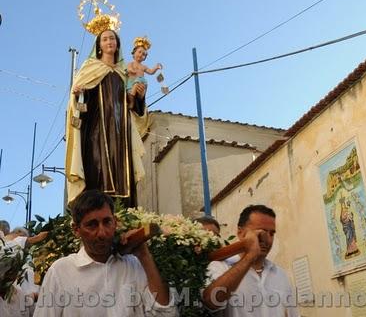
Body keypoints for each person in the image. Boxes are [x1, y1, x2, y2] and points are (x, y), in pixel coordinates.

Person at [33, 189, 177, 316]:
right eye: (92, 225)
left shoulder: (134, 265)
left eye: (107, 222)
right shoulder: (61, 272)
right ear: (76, 230)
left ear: (115, 222)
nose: (102, 233)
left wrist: (144, 255)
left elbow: (166, 314)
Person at [66, 29, 149, 208]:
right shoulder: (90, 68)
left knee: (124, 173)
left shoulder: (124, 73)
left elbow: (132, 105)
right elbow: (80, 103)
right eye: (104, 39)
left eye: (112, 38)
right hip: (96, 131)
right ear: (99, 45)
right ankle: (97, 213)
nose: (109, 41)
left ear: (117, 44)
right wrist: (80, 94)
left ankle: (125, 213)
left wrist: (140, 97)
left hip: (122, 133)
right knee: (98, 169)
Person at [202, 205, 299, 317]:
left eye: (271, 234)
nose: (267, 239)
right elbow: (210, 302)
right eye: (261, 232)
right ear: (241, 233)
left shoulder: (281, 275)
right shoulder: (219, 267)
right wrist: (250, 257)